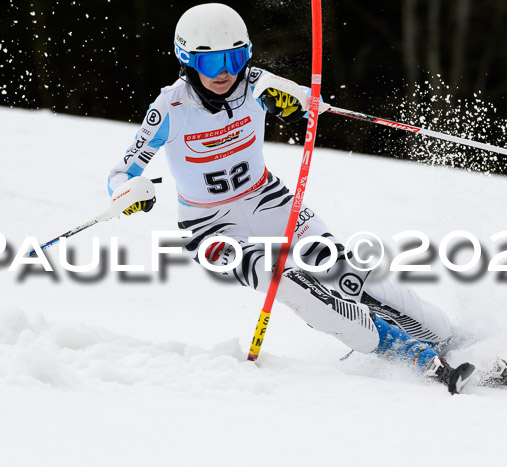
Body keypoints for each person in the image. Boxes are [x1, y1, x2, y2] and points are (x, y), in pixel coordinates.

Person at [107, 3, 473, 393]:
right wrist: (128, 193)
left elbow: (305, 100)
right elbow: (121, 174)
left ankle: (450, 336)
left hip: (270, 203)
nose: (226, 73)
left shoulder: (256, 83)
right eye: (212, 64)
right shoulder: (169, 108)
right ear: (187, 61)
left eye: (235, 58)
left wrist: (300, 107)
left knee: (346, 273)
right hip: (210, 229)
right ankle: (405, 351)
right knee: (284, 279)